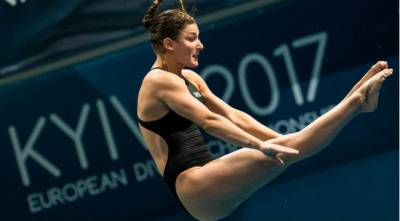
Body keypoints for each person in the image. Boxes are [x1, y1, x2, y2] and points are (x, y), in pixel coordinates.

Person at [136, 0, 394, 220]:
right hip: (194, 187)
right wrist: (259, 146)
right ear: (169, 44)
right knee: (295, 145)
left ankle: (357, 103)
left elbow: (232, 115)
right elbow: (209, 121)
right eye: (192, 38)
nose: (201, 44)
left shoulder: (191, 79)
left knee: (293, 146)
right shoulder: (158, 81)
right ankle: (357, 102)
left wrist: (274, 139)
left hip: (209, 186)